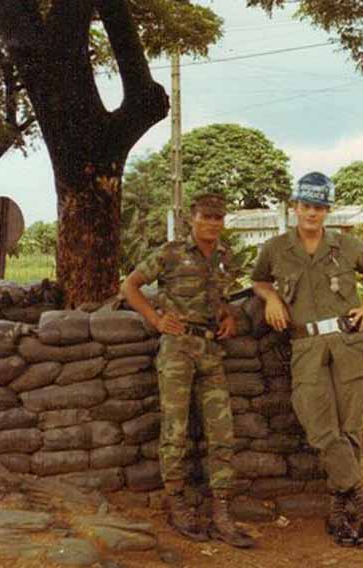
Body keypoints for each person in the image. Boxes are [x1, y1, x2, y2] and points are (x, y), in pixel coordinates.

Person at [251, 172, 363, 547]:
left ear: (327, 210)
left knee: (349, 430)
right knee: (320, 429)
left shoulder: (347, 245)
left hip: (349, 344)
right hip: (307, 347)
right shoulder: (276, 248)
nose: (311, 213)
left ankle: (341, 509)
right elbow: (259, 280)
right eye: (305, 206)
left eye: (318, 207)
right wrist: (270, 299)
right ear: (294, 207)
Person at [122, 192, 254, 549]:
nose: (212, 223)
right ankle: (176, 502)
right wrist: (154, 319)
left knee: (222, 431)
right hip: (178, 349)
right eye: (206, 216)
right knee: (175, 429)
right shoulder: (170, 252)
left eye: (218, 217)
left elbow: (221, 299)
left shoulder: (225, 257)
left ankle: (222, 509)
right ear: (192, 219)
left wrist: (228, 316)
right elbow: (130, 285)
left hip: (211, 350)